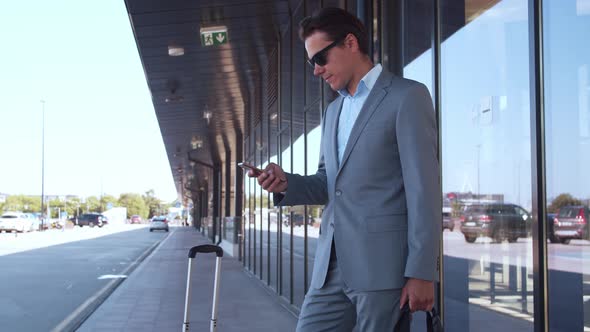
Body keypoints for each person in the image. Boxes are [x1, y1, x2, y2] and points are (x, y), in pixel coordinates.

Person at [248, 7, 440, 331]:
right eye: (311, 63)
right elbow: (328, 183)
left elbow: (424, 190)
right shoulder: (333, 112)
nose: (316, 71)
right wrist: (285, 184)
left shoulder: (407, 97)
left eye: (319, 58)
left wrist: (422, 271)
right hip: (330, 268)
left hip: (382, 269)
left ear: (350, 43)